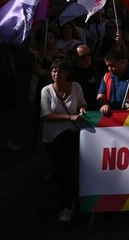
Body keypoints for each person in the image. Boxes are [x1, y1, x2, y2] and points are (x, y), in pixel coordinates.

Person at [39, 58, 86, 223]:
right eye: (53, 71)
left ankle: (67, 204)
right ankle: (67, 197)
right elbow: (47, 115)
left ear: (66, 73)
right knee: (59, 170)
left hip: (70, 133)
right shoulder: (46, 91)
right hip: (52, 137)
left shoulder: (76, 87)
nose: (55, 74)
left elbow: (82, 103)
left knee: (67, 168)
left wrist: (81, 109)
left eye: (59, 71)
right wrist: (69, 116)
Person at [97, 50, 129, 114]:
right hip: (111, 115)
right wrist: (105, 105)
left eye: (112, 65)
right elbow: (100, 96)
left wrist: (128, 112)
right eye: (108, 66)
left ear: (122, 62)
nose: (109, 69)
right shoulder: (106, 76)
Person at [69, 43, 103, 111]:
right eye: (82, 57)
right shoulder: (70, 71)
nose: (87, 58)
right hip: (76, 108)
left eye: (89, 55)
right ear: (75, 57)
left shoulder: (99, 68)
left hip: (96, 107)